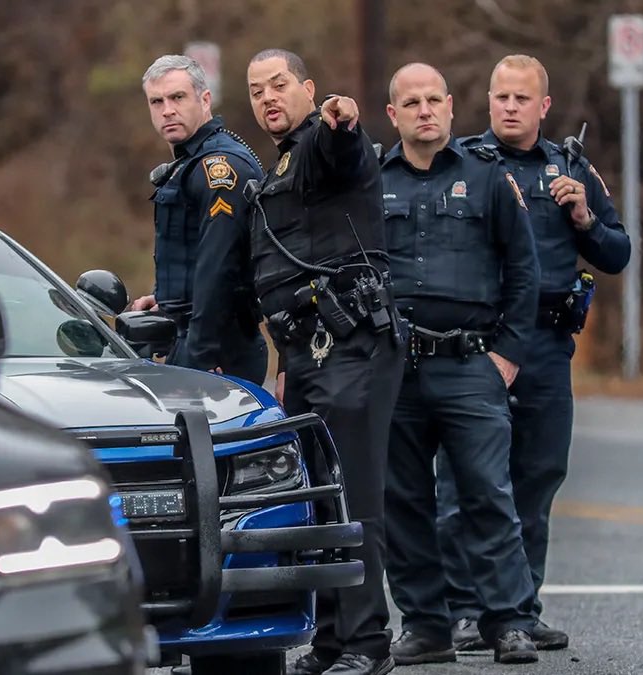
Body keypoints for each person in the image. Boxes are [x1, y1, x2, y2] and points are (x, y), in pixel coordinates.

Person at [437, 53, 632, 653]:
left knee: (537, 478)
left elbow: (618, 252)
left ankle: (518, 609)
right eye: (501, 97)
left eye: (523, 99)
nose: (511, 107)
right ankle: (467, 612)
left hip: (547, 344)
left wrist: (583, 218)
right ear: (488, 101)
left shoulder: (570, 168)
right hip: (480, 345)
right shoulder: (461, 165)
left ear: (544, 106)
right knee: (466, 482)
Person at [245, 48, 405, 675]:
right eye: (257, 91)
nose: (268, 98)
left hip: (354, 346)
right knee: (321, 500)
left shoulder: (323, 145)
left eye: (279, 85)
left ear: (308, 89)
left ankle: (369, 644)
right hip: (305, 353)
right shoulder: (274, 169)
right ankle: (334, 641)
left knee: (356, 499)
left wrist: (343, 121)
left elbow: (344, 148)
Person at [379, 63, 542, 667]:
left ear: (450, 106)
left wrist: (507, 354)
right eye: (410, 102)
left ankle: (508, 621)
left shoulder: (489, 180)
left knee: (486, 495)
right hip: (396, 366)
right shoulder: (374, 181)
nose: (424, 110)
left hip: (473, 363)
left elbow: (525, 270)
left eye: (433, 100)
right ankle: (426, 624)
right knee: (405, 501)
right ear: (393, 114)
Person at [132, 54, 268, 383]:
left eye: (177, 97)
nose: (167, 110)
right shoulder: (190, 163)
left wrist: (202, 353)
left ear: (204, 99)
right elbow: (191, 249)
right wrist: (165, 296)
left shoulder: (217, 166)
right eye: (156, 101)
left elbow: (219, 262)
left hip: (220, 345)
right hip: (193, 335)